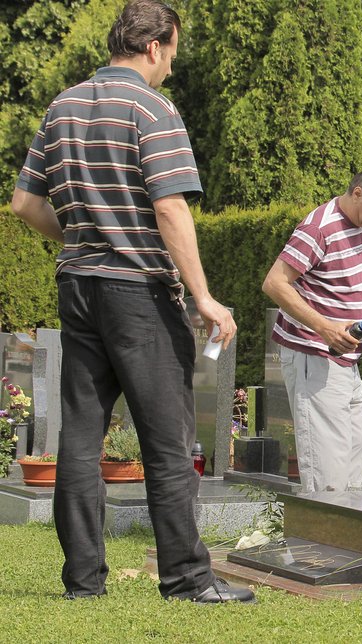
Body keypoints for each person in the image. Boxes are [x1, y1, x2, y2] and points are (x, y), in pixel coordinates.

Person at [10, 0, 254, 603]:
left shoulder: (62, 105)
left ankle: (83, 581)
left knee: (81, 438)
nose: (172, 64)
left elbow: (23, 204)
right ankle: (188, 580)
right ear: (156, 45)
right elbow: (171, 207)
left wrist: (84, 237)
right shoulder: (152, 107)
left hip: (78, 287)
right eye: (172, 51)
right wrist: (203, 297)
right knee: (168, 440)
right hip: (139, 291)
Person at [262, 164, 362, 494]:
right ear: (358, 194)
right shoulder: (318, 229)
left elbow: (358, 279)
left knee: (354, 464)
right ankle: (320, 544)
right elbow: (274, 283)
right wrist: (326, 329)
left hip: (347, 359)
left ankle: (350, 544)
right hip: (314, 354)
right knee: (327, 476)